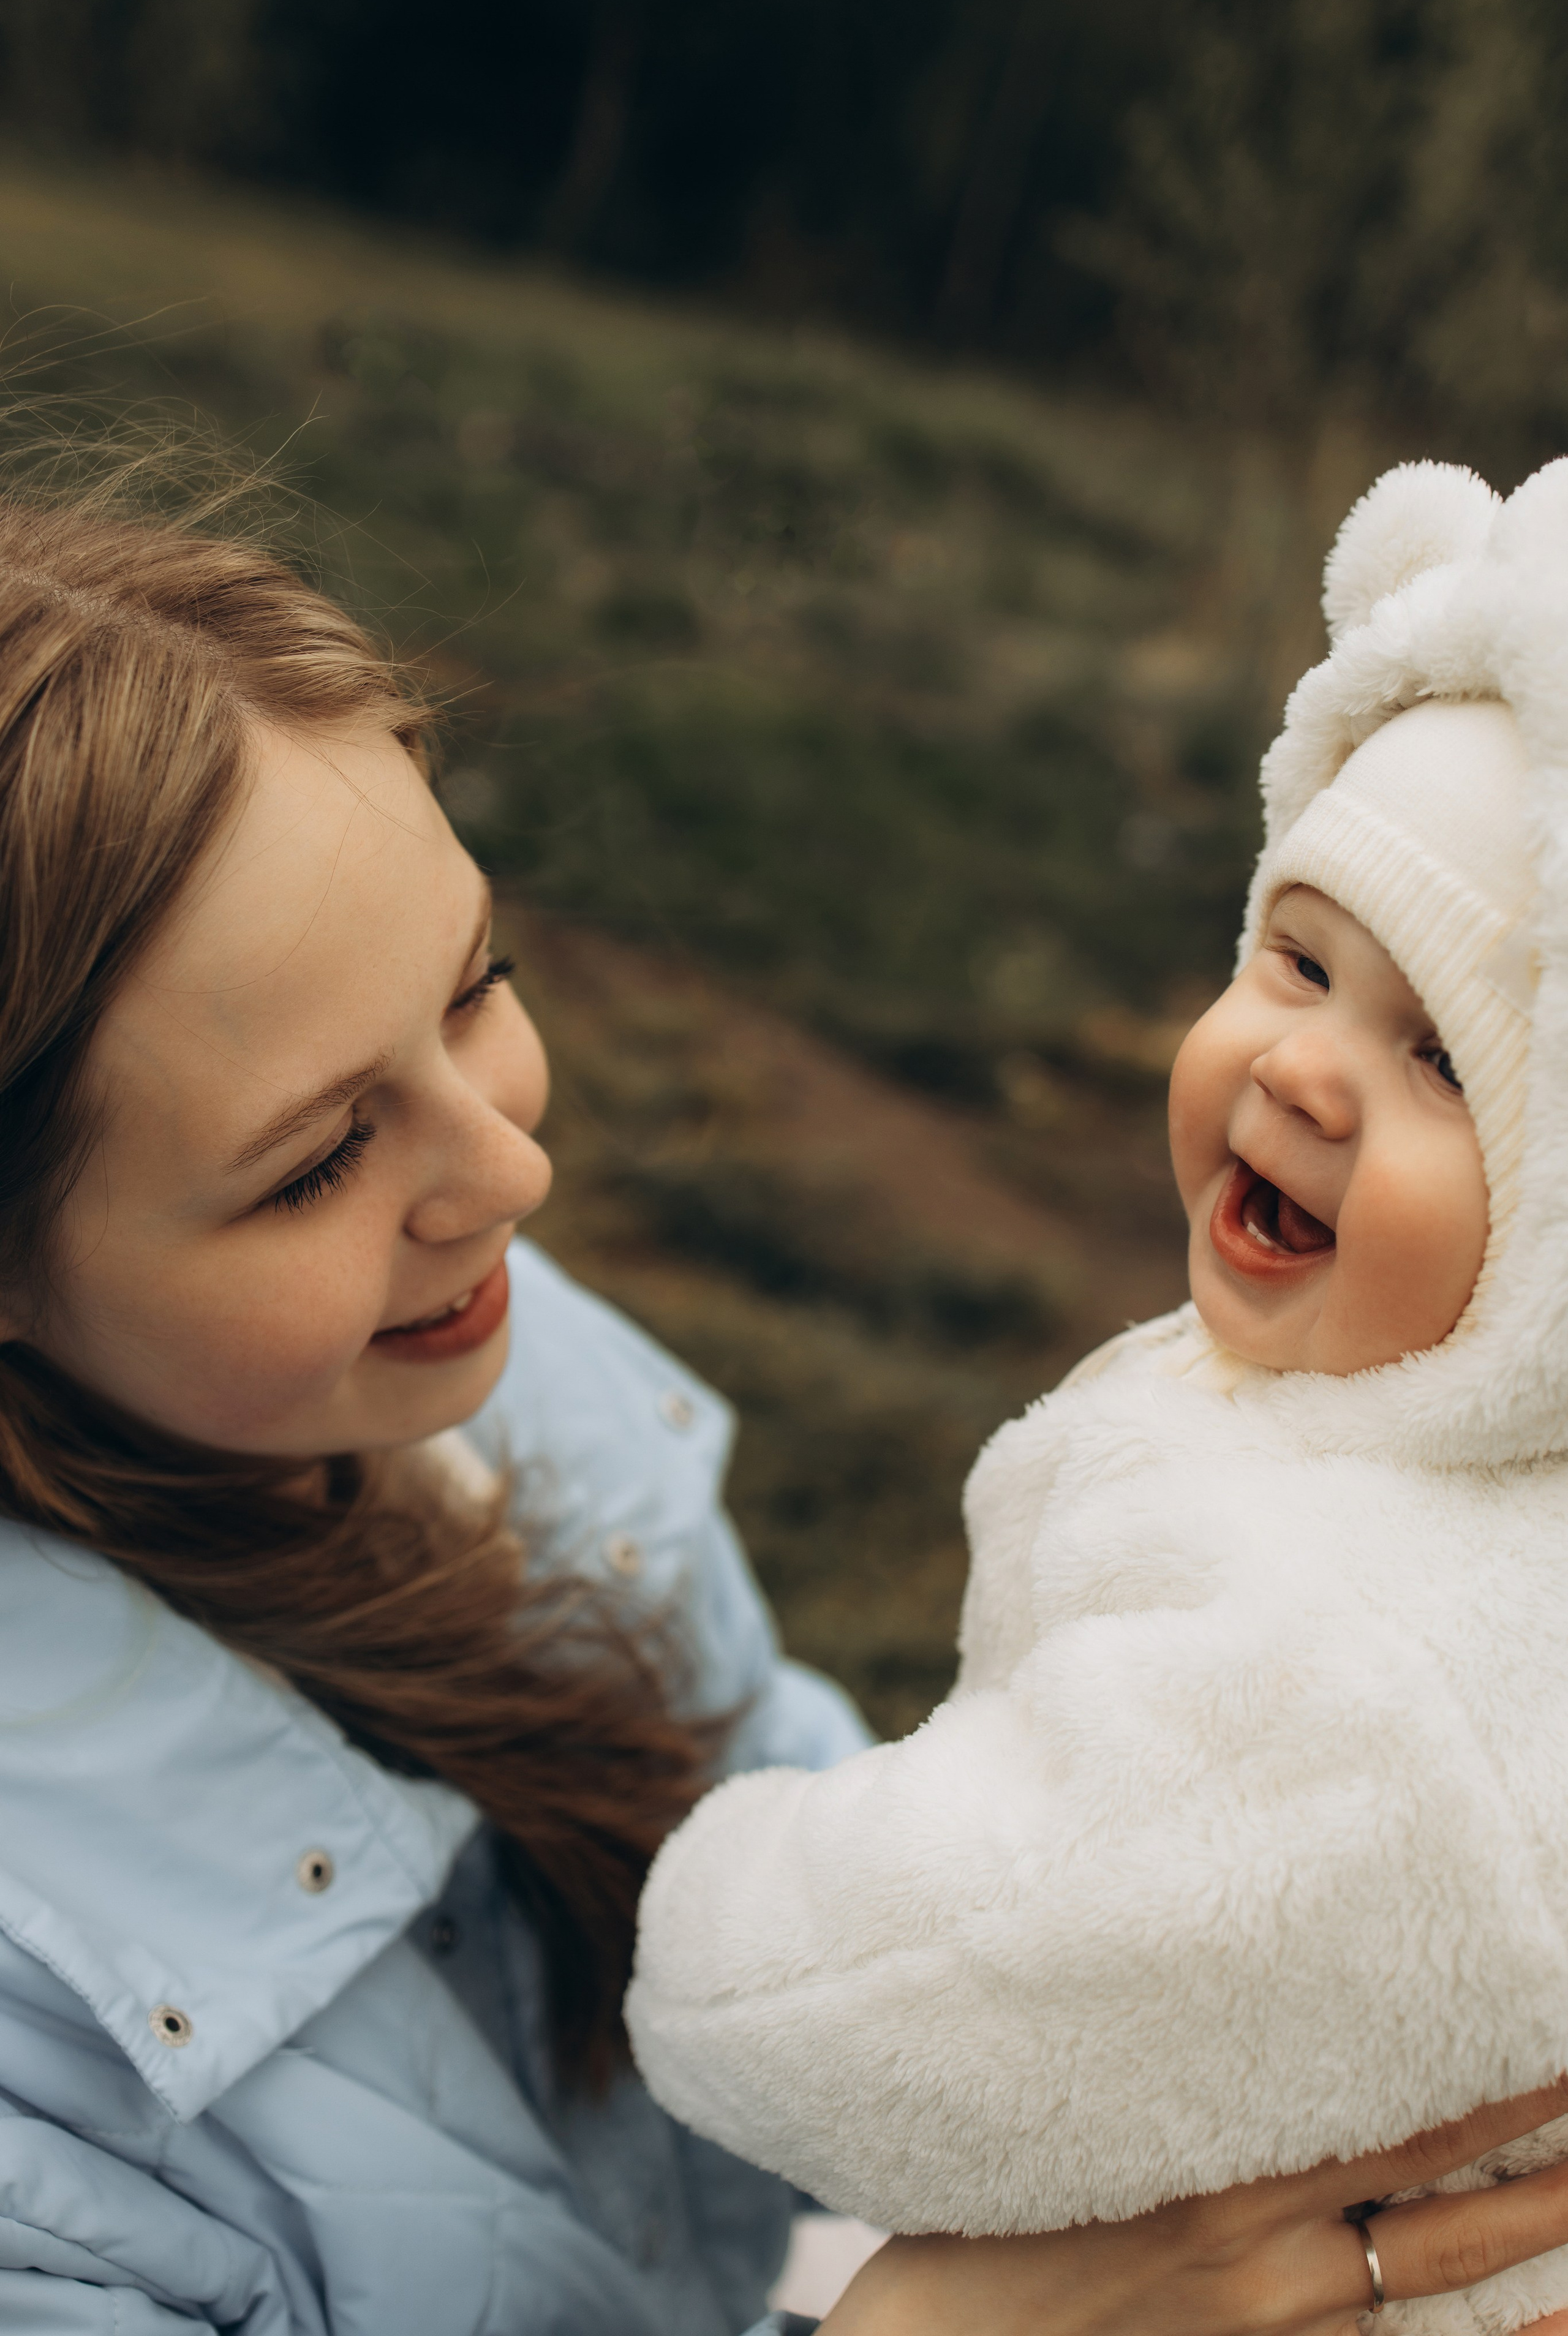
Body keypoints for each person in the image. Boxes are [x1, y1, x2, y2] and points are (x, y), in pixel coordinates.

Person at [1, 451, 1566, 2336]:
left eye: (476, 986)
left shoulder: (471, 1364)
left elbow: (807, 1813)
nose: (514, 1181)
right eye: (321, 1159)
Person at [628, 459, 1568, 2334]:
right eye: (1297, 961)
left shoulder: (1358, 1683)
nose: (1304, 1071)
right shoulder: (1411, 1438)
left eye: (1446, 1064)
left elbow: (929, 1999)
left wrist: (710, 1920)